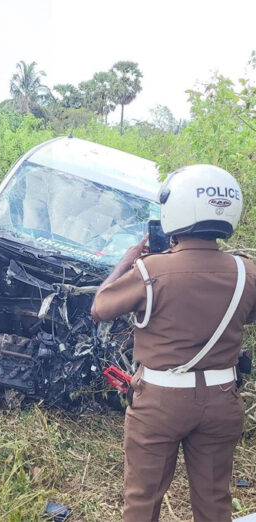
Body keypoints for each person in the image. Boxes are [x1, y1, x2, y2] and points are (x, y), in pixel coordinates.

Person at [91, 165, 256, 522]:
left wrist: (130, 259)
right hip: (222, 398)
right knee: (215, 503)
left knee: (142, 502)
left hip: (160, 403)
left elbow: (99, 307)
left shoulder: (152, 271)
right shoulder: (247, 271)